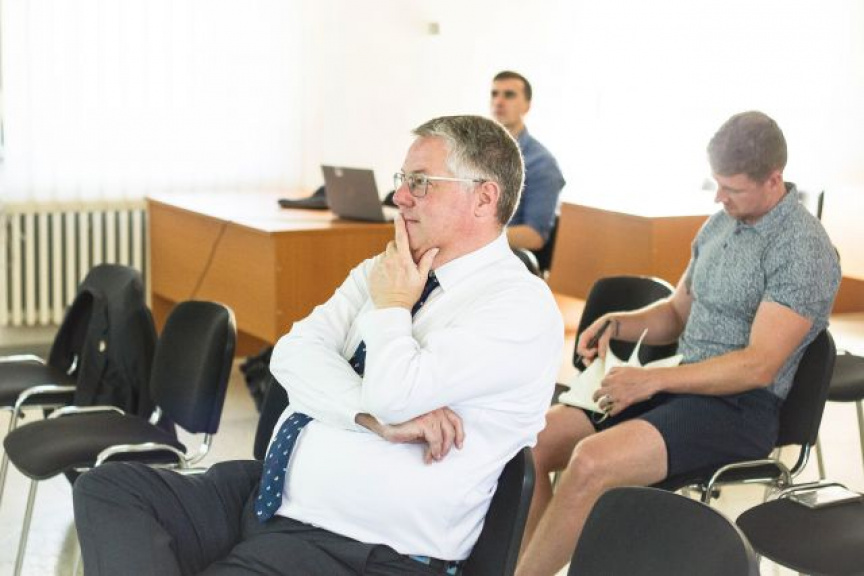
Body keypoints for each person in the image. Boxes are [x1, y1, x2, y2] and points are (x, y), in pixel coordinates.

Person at [73, 115, 564, 576]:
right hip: (274, 499)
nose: (399, 197)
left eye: (420, 182)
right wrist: (368, 417)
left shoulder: (517, 306)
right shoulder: (386, 268)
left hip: (361, 546)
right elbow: (292, 354)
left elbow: (395, 395)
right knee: (110, 490)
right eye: (402, 179)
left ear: (484, 198)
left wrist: (393, 307)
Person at [515, 111, 841, 576]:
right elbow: (675, 314)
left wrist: (652, 381)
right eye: (716, 184)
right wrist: (618, 324)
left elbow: (758, 366)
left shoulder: (802, 248)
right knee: (531, 442)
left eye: (731, 188)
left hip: (740, 409)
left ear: (774, 179)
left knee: (590, 462)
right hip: (680, 381)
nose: (719, 198)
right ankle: (527, 567)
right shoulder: (720, 224)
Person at [491, 70, 566, 254]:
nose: (499, 101)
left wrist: (474, 237)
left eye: (509, 95)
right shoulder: (474, 151)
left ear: (527, 106)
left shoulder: (543, 164)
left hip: (501, 257)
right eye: (494, 94)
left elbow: (534, 236)